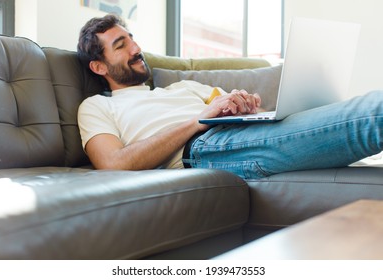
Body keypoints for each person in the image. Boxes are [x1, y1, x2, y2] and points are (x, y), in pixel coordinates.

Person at [77, 14, 382, 179]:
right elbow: (113, 164)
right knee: (374, 114)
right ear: (98, 65)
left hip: (239, 132)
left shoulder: (181, 88)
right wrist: (199, 121)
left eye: (132, 39)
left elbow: (230, 108)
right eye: (121, 45)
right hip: (204, 149)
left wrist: (244, 104)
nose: (136, 48)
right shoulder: (98, 106)